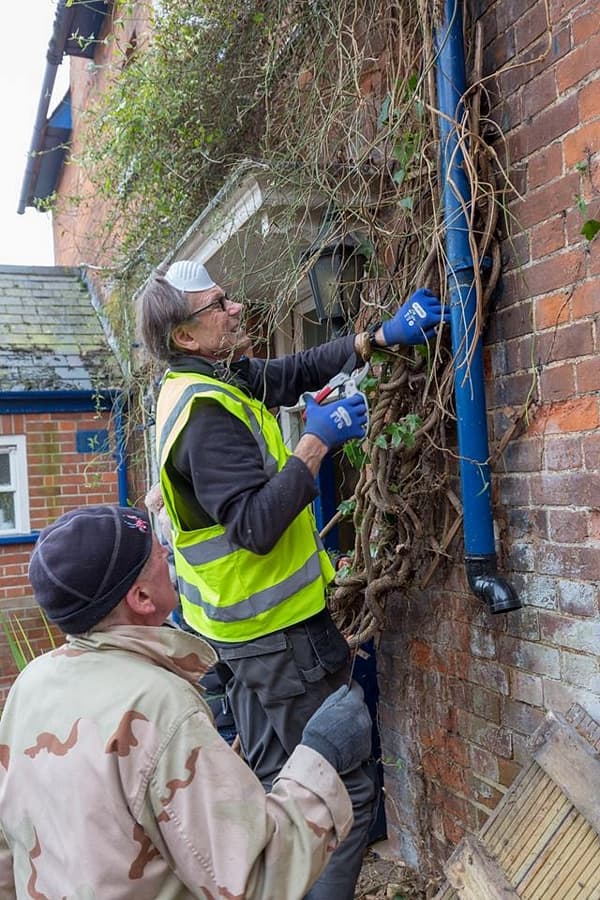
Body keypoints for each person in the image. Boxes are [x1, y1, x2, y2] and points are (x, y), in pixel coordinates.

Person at [138, 259, 447, 899]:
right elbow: (254, 525)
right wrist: (316, 443)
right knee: (347, 785)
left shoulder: (203, 379)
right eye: (218, 304)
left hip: (239, 635)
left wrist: (379, 338)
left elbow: (284, 374)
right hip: (278, 638)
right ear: (186, 336)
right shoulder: (204, 418)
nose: (236, 308)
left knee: (280, 776)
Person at [0, 504, 374, 899]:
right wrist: (321, 755)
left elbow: (7, 856)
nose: (168, 551)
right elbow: (253, 880)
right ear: (141, 597)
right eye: (156, 553)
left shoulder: (30, 685)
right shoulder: (157, 705)